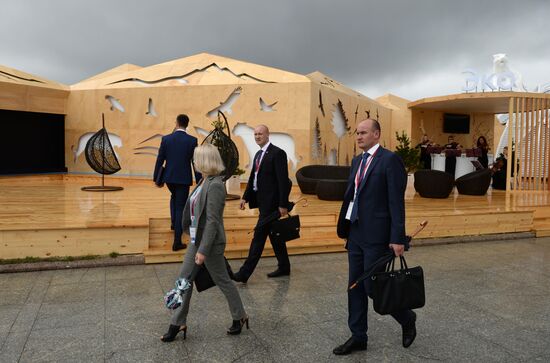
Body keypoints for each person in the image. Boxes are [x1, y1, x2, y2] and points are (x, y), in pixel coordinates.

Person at [333, 119, 417, 356]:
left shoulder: (389, 160)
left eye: (363, 133)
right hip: (356, 233)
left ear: (376, 134)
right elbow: (353, 196)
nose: (358, 136)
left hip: (378, 236)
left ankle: (407, 317)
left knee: (373, 287)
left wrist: (397, 237)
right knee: (354, 287)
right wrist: (348, 229)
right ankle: (358, 336)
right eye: (357, 133)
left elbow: (395, 202)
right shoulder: (357, 161)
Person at [161, 144, 248, 342]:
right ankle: (178, 323)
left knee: (223, 281)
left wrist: (203, 250)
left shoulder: (216, 185)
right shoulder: (203, 180)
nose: (194, 161)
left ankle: (239, 315)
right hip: (195, 241)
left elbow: (213, 221)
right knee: (184, 281)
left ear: (205, 160)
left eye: (196, 158)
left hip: (210, 244)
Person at [232, 125, 292, 283]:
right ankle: (284, 266)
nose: (257, 136)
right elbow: (253, 177)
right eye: (255, 134)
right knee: (274, 235)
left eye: (260, 134)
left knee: (258, 237)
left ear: (267, 135)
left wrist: (283, 204)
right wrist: (245, 197)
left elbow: (283, 181)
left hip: (272, 205)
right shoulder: (258, 154)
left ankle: (244, 273)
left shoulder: (278, 153)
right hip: (261, 202)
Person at [154, 114, 201, 251]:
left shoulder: (166, 139)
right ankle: (177, 242)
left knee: (173, 197)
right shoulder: (192, 140)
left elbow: (160, 159)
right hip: (183, 179)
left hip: (169, 178)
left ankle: (174, 224)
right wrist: (198, 180)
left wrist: (157, 177)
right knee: (181, 205)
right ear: (187, 124)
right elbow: (195, 162)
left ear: (176, 123)